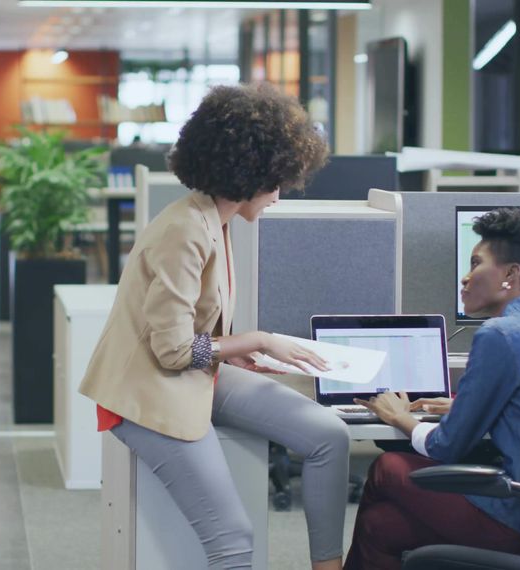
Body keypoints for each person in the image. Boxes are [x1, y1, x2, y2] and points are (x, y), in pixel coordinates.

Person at [79, 83, 351, 570]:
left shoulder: (213, 220)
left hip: (191, 373)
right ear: (249, 174)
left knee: (329, 435)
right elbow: (171, 351)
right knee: (233, 538)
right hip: (147, 390)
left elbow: (191, 336)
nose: (278, 196)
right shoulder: (185, 231)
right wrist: (257, 340)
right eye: (275, 183)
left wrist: (231, 351)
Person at [344, 208, 520, 569]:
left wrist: (400, 418)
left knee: (387, 466)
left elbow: (446, 446)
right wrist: (463, 404)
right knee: (381, 526)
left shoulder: (499, 335)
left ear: (511, 274)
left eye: (476, 263)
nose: (465, 277)